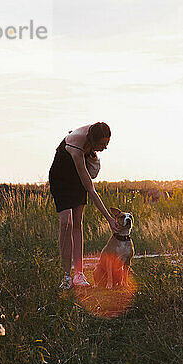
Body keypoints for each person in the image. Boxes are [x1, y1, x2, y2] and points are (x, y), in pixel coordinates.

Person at [48, 122, 121, 289]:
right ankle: (66, 276)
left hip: (77, 179)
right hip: (61, 178)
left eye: (107, 143)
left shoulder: (95, 131)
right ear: (92, 140)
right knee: (66, 223)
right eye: (102, 144)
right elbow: (91, 189)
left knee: (77, 223)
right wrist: (109, 219)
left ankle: (79, 275)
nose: (105, 148)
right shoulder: (76, 147)